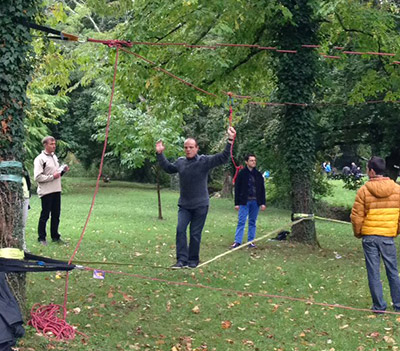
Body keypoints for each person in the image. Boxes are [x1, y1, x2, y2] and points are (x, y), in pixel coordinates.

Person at [156, 127, 236, 269]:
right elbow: (168, 168)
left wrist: (230, 140)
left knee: (194, 234)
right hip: (184, 205)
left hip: (200, 205)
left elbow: (223, 157)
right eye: (186, 147)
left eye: (191, 147)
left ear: (197, 148)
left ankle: (193, 260)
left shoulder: (204, 161)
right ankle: (181, 260)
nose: (188, 150)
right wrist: (160, 154)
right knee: (180, 230)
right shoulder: (180, 162)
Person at [350, 156, 400, 313]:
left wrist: (359, 233)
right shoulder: (397, 190)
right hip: (387, 237)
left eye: (366, 168)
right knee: (392, 271)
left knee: (373, 272)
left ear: (371, 171)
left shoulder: (363, 191)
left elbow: (356, 216)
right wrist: (395, 230)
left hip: (370, 237)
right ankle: (398, 305)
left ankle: (379, 307)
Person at [34, 136, 69, 246]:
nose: (54, 146)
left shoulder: (54, 157)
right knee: (45, 215)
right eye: (51, 144)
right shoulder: (40, 159)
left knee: (56, 215)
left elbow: (56, 174)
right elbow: (38, 177)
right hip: (46, 191)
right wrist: (52, 177)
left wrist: (62, 172)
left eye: (54, 144)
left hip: (56, 189)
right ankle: (41, 238)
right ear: (45, 145)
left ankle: (55, 237)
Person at [230, 154, 266, 249]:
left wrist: (263, 203)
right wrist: (237, 203)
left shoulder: (258, 174)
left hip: (255, 201)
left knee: (252, 222)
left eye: (254, 160)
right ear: (246, 162)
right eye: (251, 160)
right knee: (241, 221)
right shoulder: (242, 174)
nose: (253, 162)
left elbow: (262, 189)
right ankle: (237, 241)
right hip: (244, 201)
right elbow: (237, 189)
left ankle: (251, 241)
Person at [21, 167, 31, 251]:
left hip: (25, 197)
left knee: (23, 223)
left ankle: (23, 246)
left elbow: (28, 183)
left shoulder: (22, 167)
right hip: (14, 197)